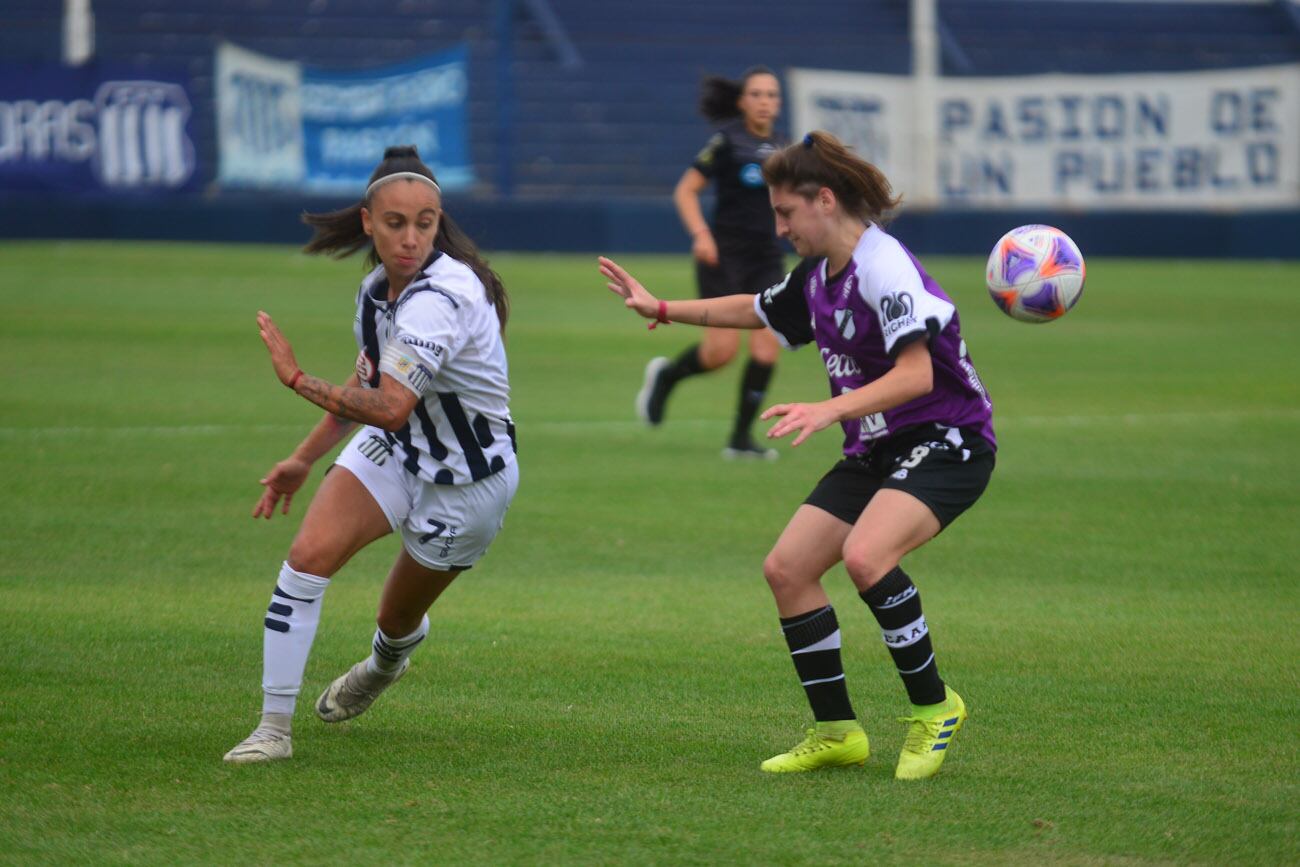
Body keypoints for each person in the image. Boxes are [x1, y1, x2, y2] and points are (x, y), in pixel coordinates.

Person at [599, 130, 996, 780]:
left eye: (786, 212)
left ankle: (935, 706)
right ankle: (837, 730)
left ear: (825, 200)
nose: (779, 226)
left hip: (947, 440)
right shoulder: (818, 274)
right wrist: (663, 308)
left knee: (867, 557)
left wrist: (828, 408)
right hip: (877, 445)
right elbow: (756, 309)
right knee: (788, 569)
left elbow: (917, 376)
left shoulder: (882, 264)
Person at [224, 145, 519, 764]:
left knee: (396, 618)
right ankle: (272, 729)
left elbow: (389, 406)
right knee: (305, 562)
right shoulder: (373, 293)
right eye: (395, 223)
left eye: (425, 223)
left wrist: (296, 379)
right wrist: (304, 460)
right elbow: (368, 391)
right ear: (368, 221)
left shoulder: (443, 297)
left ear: (439, 223)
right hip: (396, 449)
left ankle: (386, 663)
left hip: (468, 485)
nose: (411, 238)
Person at [638, 66, 787, 459]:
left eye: (772, 95)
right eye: (756, 94)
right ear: (742, 101)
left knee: (767, 347)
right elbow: (686, 190)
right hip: (724, 256)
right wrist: (701, 235)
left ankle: (740, 440)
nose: (764, 101)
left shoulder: (786, 150)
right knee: (721, 353)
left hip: (768, 258)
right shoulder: (726, 142)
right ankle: (667, 376)